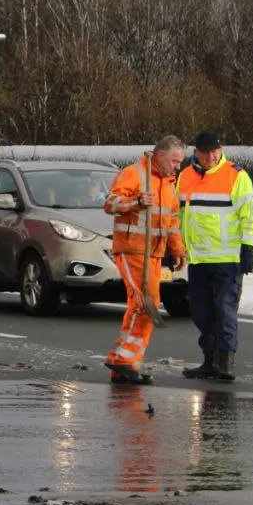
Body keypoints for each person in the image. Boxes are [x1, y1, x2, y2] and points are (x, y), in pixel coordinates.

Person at [102, 135, 188, 385]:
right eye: (174, 161)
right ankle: (124, 361)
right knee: (145, 303)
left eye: (179, 162)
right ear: (159, 155)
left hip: (154, 252)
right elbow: (110, 204)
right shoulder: (134, 173)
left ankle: (124, 361)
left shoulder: (169, 184)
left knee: (143, 304)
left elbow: (171, 222)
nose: (177, 166)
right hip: (133, 248)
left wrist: (178, 250)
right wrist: (136, 202)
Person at [177, 129, 253, 383]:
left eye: (215, 151)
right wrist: (176, 247)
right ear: (196, 153)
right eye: (206, 152)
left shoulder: (237, 176)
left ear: (221, 149)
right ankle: (209, 361)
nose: (211, 156)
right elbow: (179, 217)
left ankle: (224, 363)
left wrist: (247, 247)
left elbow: (250, 214)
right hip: (199, 259)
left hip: (227, 259)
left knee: (224, 310)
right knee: (201, 311)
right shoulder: (185, 176)